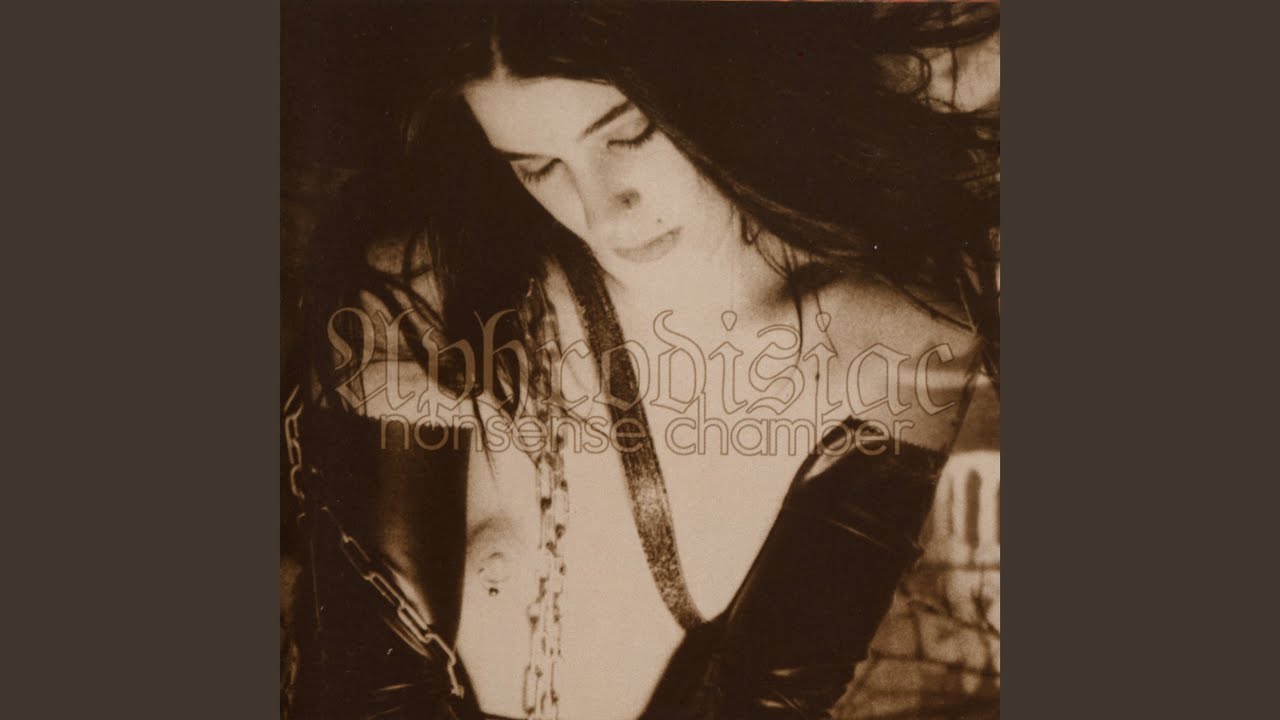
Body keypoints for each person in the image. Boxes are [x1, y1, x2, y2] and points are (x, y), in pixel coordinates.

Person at [283, 3, 1000, 719]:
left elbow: (773, 702)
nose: (604, 211)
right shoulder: (427, 290)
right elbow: (366, 696)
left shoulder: (892, 345)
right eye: (537, 167)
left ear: (719, 77)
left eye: (628, 134)